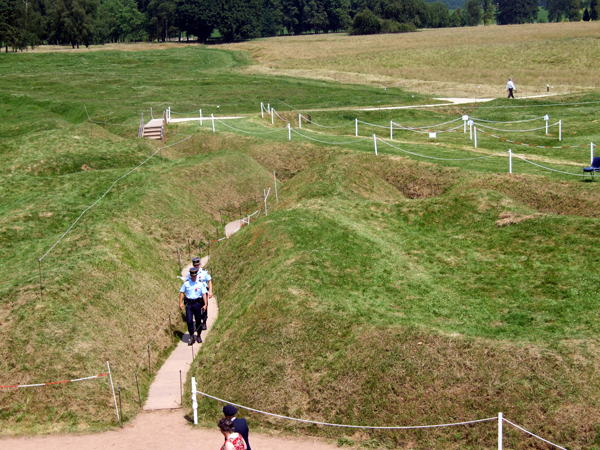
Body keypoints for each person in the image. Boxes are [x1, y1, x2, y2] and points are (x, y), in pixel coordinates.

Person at [179, 267, 207, 345]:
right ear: (190, 275)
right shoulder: (186, 283)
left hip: (197, 304)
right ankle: (191, 336)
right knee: (189, 321)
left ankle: (198, 335)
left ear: (196, 275)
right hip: (189, 305)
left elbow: (204, 294)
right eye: (192, 276)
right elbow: (182, 293)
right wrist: (180, 303)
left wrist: (205, 304)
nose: (194, 277)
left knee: (198, 321)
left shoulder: (200, 284)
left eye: (195, 276)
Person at [187, 257, 213, 330]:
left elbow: (209, 281)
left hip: (203, 293)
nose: (196, 267)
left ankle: (204, 322)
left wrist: (210, 291)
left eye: (197, 265)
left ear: (200, 264)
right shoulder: (190, 273)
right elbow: (187, 283)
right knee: (196, 310)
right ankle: (197, 324)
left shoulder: (204, 272)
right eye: (194, 265)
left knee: (204, 308)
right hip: (195, 295)